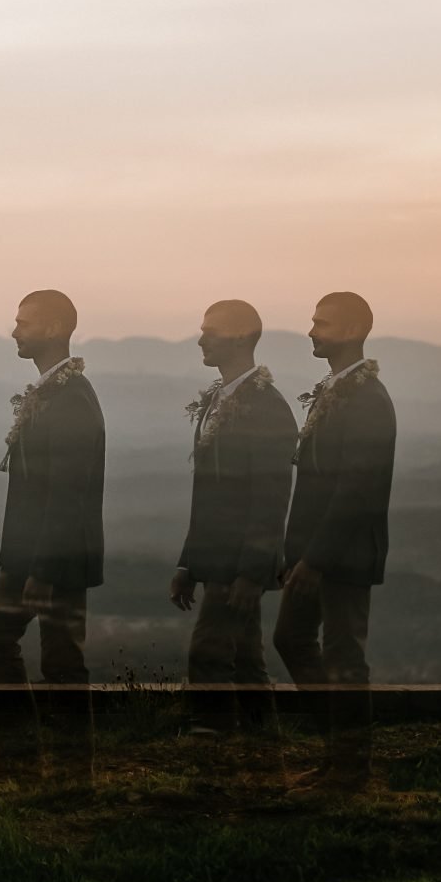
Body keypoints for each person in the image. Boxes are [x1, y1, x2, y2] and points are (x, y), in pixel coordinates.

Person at [0, 289, 105, 779]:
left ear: (54, 329)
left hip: (57, 555)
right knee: (11, 640)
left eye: (24, 323)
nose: (14, 331)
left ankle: (66, 767)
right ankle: (28, 756)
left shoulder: (72, 399)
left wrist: (44, 569)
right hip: (33, 554)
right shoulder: (54, 392)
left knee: (60, 658)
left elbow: (68, 492)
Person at [273, 291, 396, 792]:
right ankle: (338, 755)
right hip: (314, 553)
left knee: (345, 657)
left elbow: (355, 489)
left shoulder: (367, 399)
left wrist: (315, 560)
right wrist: (295, 553)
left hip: (343, 555)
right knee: (292, 639)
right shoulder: (337, 390)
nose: (311, 331)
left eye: (320, 323)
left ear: (350, 330)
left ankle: (350, 769)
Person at [170, 299, 293, 741]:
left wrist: (250, 571)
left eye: (211, 331)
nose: (201, 338)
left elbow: (271, 496)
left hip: (239, 561)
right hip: (215, 556)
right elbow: (206, 497)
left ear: (241, 337)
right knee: (245, 655)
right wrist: (188, 563)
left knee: (209, 649)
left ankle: (212, 733)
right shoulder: (217, 402)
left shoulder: (267, 406)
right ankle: (263, 739)